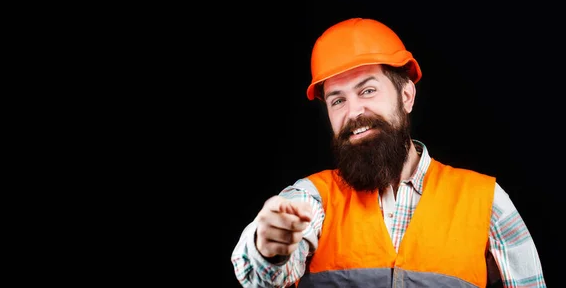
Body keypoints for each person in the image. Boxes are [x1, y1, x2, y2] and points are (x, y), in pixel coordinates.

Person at [230, 17, 546, 288]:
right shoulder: (312, 199)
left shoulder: (486, 200)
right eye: (337, 100)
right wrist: (269, 247)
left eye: (368, 90)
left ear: (406, 96)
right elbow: (258, 277)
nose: (353, 112)